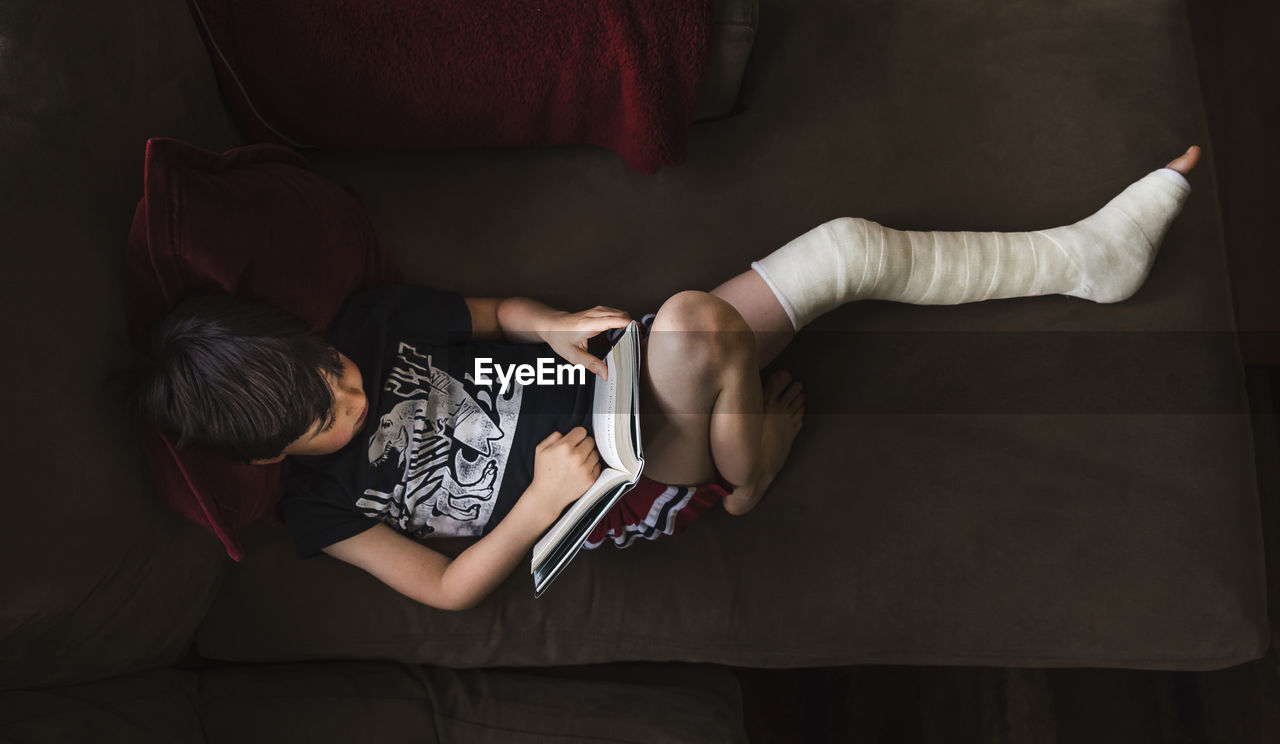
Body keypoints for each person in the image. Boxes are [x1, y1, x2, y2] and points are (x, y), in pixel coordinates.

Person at [131, 147, 1201, 610]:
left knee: (841, 248)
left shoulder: (370, 326)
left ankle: (1079, 262)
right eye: (326, 414)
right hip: (624, 479)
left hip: (632, 366)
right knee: (699, 321)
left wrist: (544, 321)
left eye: (330, 369)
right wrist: (542, 498)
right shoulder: (324, 508)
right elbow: (447, 592)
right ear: (274, 457)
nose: (350, 393)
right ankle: (747, 478)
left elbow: (489, 313)